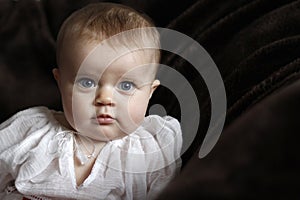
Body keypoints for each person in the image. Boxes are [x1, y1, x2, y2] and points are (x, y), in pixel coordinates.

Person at [0, 2, 182, 200]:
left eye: (127, 86)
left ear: (149, 92)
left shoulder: (150, 152)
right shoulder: (29, 132)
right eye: (87, 82)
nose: (105, 99)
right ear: (60, 83)